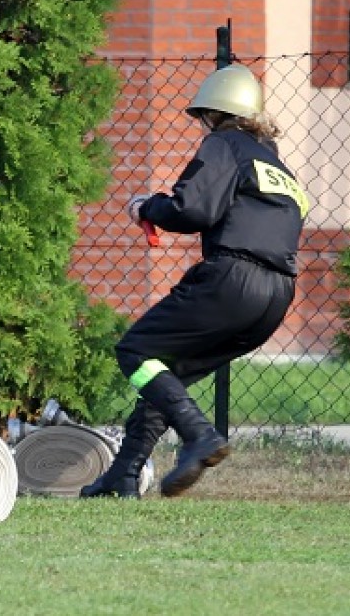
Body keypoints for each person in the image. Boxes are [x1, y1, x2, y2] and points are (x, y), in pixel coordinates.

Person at [80, 63, 307, 499]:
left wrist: (150, 207)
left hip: (231, 279)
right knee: (167, 373)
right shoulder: (280, 170)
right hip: (276, 296)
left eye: (205, 117)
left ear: (215, 114)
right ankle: (124, 474)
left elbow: (192, 210)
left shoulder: (224, 143)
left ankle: (199, 435)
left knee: (136, 350)